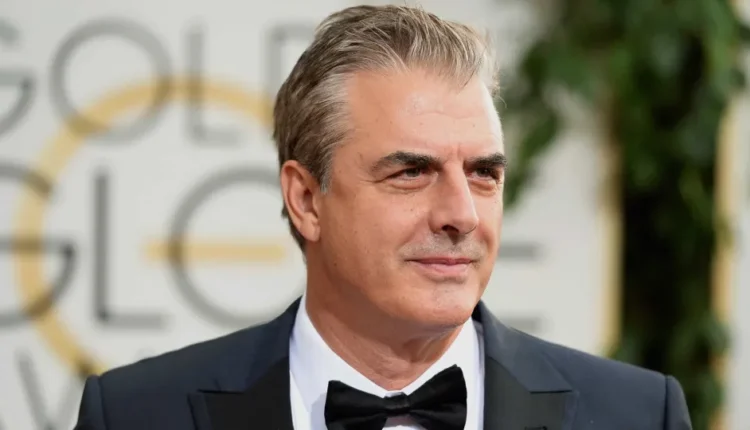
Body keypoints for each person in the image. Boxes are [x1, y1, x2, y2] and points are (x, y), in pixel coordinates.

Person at [74, 5, 692, 430]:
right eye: (411, 173)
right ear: (306, 199)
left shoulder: (637, 415)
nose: (462, 215)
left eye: (484, 173)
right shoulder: (138, 415)